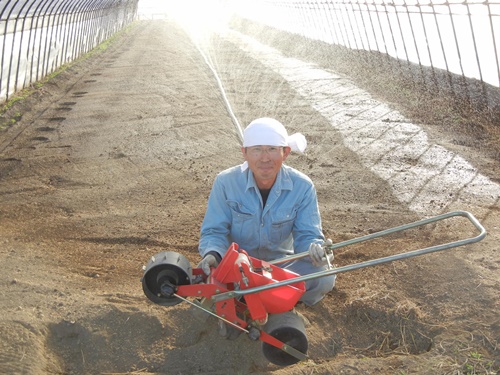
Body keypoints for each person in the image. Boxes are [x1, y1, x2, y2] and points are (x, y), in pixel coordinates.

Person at [198, 117, 335, 307]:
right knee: (211, 271)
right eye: (256, 150)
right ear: (244, 153)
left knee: (324, 277)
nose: (264, 158)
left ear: (285, 152)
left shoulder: (302, 186)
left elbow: (308, 235)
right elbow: (214, 231)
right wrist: (213, 254)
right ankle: (273, 300)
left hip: (281, 268)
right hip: (238, 267)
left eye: (272, 149)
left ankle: (268, 301)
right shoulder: (225, 182)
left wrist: (316, 252)